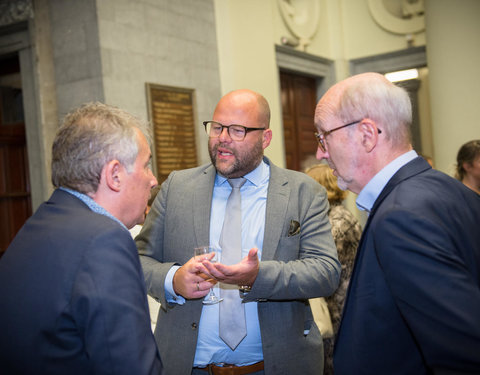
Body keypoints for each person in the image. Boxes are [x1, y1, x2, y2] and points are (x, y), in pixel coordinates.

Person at [136, 89, 341, 375]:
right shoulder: (177, 188)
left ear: (265, 138)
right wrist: (173, 279)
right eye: (217, 127)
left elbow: (325, 271)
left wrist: (258, 277)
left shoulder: (302, 192)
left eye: (237, 130)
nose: (222, 137)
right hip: (188, 367)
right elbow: (137, 259)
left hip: (276, 367)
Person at [314, 72, 480, 374]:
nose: (320, 152)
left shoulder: (400, 216)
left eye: (323, 136)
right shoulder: (444, 188)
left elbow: (464, 353)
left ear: (367, 134)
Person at [0, 102, 163, 374]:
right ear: (114, 175)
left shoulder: (40, 222)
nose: (154, 180)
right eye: (146, 165)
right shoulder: (105, 241)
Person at [305, 164, 362, 375]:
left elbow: (317, 262)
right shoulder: (329, 217)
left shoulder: (337, 220)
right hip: (336, 303)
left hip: (340, 306)